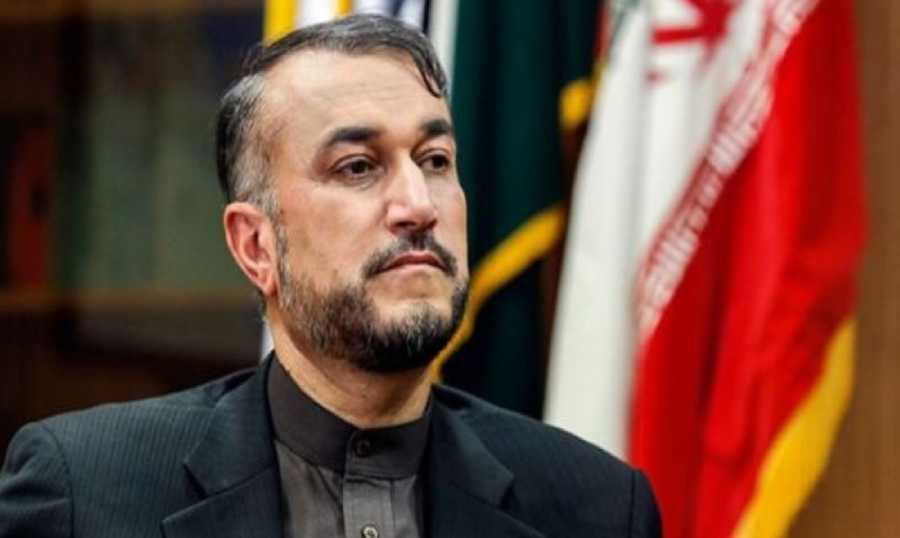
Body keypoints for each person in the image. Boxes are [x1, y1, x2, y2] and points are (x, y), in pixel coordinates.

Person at [0, 14, 660, 538]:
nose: (418, 206)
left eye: (434, 160)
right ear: (256, 246)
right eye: (357, 167)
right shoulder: (84, 493)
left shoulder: (598, 508)